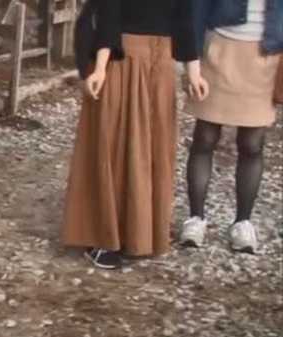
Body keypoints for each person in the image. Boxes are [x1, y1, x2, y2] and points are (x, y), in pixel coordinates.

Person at [62, 0, 209, 270]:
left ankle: (141, 234)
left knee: (152, 150)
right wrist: (100, 68)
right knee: (115, 145)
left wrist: (194, 72)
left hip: (161, 65)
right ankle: (103, 237)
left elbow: (185, 21)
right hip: (124, 61)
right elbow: (109, 14)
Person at [180, 0, 282, 254]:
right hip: (219, 49)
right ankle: (196, 219)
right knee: (205, 137)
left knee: (252, 144)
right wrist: (192, 61)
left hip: (266, 55)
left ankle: (243, 222)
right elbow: (196, 8)